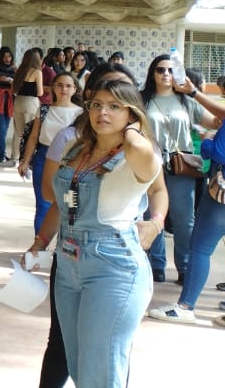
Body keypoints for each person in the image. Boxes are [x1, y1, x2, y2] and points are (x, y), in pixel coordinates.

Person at [24, 79, 159, 387]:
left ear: (133, 115)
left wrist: (133, 128)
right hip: (69, 260)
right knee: (78, 364)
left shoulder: (136, 153)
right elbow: (61, 203)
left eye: (115, 106)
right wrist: (40, 242)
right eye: (97, 105)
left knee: (102, 369)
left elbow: (141, 151)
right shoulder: (78, 149)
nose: (103, 113)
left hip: (113, 265)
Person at [139, 53, 225, 283]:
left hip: (181, 166)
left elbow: (218, 120)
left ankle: (184, 267)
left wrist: (195, 93)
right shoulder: (142, 100)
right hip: (150, 164)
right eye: (160, 70)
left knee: (183, 218)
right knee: (152, 214)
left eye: (170, 70)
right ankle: (155, 264)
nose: (166, 74)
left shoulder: (187, 101)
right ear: (152, 73)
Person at [147, 128, 225, 324]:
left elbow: (219, 153)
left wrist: (207, 140)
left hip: (221, 196)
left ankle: (185, 306)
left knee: (201, 249)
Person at [19, 72, 84, 233]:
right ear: (53, 87)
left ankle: (62, 249)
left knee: (70, 205)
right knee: (43, 203)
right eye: (60, 85)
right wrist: (25, 161)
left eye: (68, 86)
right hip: (44, 157)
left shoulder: (82, 113)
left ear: (75, 89)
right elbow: (34, 137)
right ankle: (39, 251)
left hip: (72, 160)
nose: (64, 89)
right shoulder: (44, 110)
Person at [12, 49, 45, 160]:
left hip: (18, 101)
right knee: (30, 131)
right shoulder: (37, 72)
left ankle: (15, 157)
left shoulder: (19, 71)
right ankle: (26, 157)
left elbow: (13, 89)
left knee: (18, 131)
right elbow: (40, 92)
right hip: (31, 102)